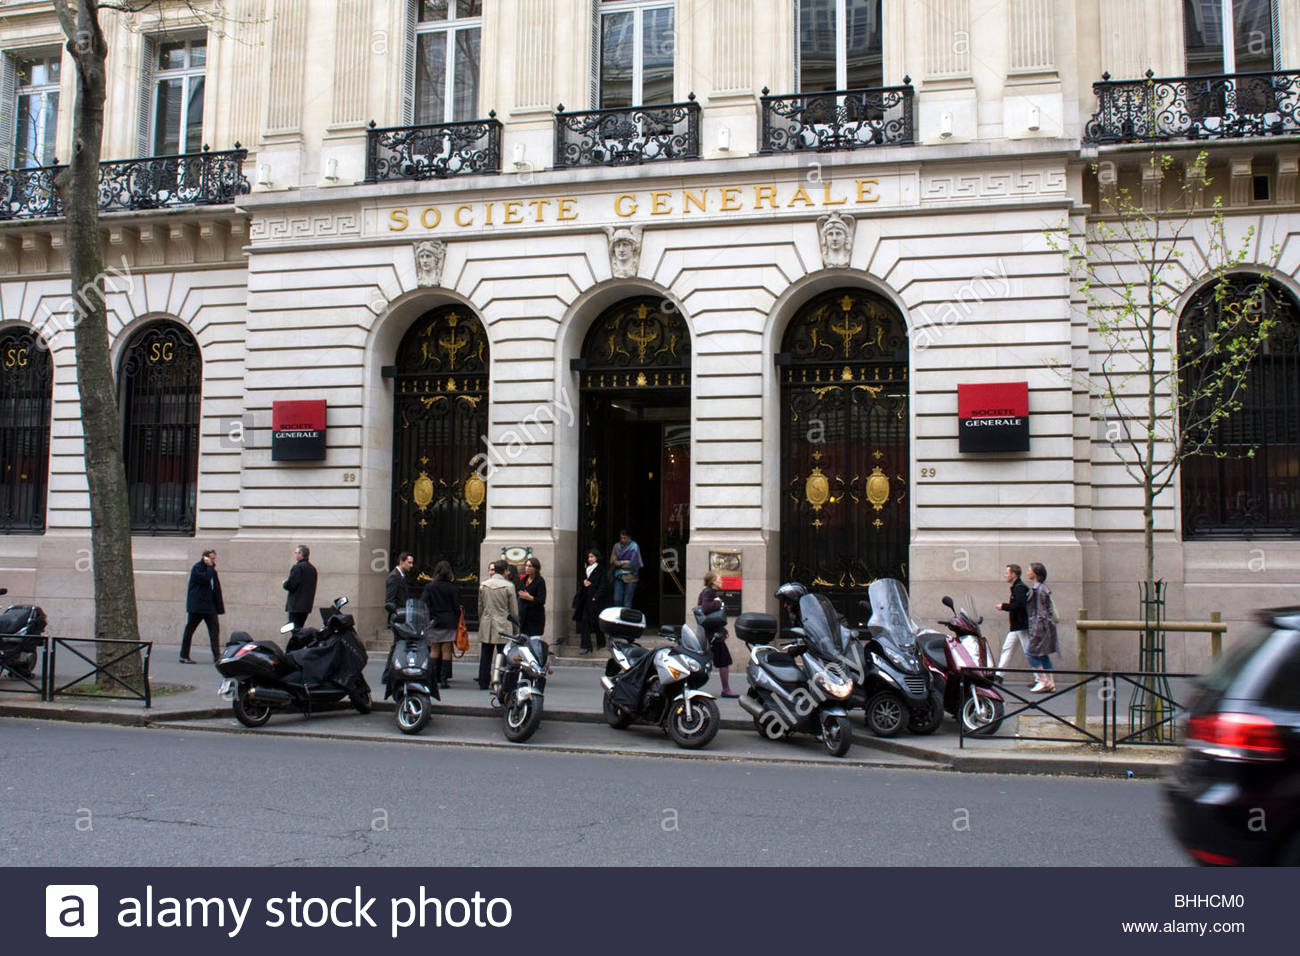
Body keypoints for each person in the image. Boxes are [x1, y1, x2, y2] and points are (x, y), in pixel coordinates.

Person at [478, 561, 519, 690]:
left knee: (486, 654)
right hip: (503, 623)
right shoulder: (509, 586)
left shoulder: (484, 585)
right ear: (505, 570)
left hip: (488, 622)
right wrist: (516, 628)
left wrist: (482, 621)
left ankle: (483, 681)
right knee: (503, 654)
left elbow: (480, 606)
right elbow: (513, 610)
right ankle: (502, 680)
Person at [420, 560, 461, 689]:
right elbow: (456, 606)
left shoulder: (430, 586)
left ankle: (431, 678)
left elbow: (423, 601)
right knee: (447, 650)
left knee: (434, 650)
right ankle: (444, 680)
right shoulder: (453, 587)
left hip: (434, 621)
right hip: (449, 621)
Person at [180, 548, 224, 664]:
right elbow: (205, 579)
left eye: (214, 559)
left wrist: (218, 606)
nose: (213, 561)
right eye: (211, 558)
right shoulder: (197, 568)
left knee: (214, 631)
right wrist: (210, 567)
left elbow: (216, 589)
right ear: (205, 558)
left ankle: (216, 656)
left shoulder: (212, 571)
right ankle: (184, 655)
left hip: (209, 607)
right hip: (198, 608)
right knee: (189, 630)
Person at [698, 571, 737, 697]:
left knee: (716, 660)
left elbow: (713, 617)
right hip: (712, 634)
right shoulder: (709, 592)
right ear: (713, 581)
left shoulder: (710, 592)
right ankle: (726, 690)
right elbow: (705, 608)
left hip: (713, 632)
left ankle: (725, 689)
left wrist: (723, 630)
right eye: (719, 579)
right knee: (723, 660)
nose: (722, 581)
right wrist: (718, 602)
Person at [1026, 562, 1059, 693]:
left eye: (1029, 570)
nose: (1027, 572)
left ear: (1035, 573)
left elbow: (1041, 613)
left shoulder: (1038, 590)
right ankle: (1051, 682)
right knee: (1043, 655)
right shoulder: (1041, 588)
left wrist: (1036, 631)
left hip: (1039, 628)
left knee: (1031, 652)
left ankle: (1042, 680)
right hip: (1044, 627)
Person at [572, 547, 612, 655]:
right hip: (586, 599)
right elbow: (583, 583)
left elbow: (603, 585)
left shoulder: (601, 570)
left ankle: (601, 641)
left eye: (592, 556)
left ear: (596, 557)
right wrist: (584, 584)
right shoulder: (586, 569)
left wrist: (596, 596)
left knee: (596, 622)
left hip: (596, 600)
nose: (590, 559)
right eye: (588, 557)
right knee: (585, 622)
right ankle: (586, 646)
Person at [994, 563, 1030, 681]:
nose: (1005, 575)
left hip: (1021, 626)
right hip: (1016, 626)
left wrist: (1003, 606)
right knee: (1007, 648)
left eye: (1007, 573)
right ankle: (999, 675)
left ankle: (1040, 678)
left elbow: (1019, 605)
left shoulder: (1019, 588)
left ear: (1013, 575)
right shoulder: (1017, 587)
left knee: (1028, 651)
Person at [282, 544, 317, 630]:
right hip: (306, 606)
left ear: (301, 554)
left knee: (295, 629)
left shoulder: (298, 567)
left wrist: (284, 583)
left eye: (296, 553)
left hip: (296, 606)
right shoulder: (312, 569)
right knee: (299, 628)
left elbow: (291, 585)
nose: (295, 555)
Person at [610, 530, 642, 608]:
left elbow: (633, 563)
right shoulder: (616, 546)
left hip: (631, 577)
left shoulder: (634, 546)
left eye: (625, 538)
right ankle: (617, 619)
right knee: (617, 600)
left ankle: (625, 619)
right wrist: (623, 562)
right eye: (621, 538)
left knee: (627, 602)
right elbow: (612, 561)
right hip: (619, 576)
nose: (622, 540)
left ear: (629, 538)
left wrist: (619, 562)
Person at [518, 556, 546, 638]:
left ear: (536, 568)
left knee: (534, 642)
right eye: (526, 566)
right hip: (524, 617)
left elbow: (541, 600)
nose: (527, 568)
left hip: (535, 618)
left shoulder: (540, 581)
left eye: (530, 566)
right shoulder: (523, 580)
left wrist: (529, 597)